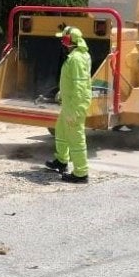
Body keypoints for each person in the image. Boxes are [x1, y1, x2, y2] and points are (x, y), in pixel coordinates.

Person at [43, 24, 91, 183]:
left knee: (76, 139)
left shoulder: (76, 59)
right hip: (69, 102)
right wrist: (61, 93)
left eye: (64, 40)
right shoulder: (76, 56)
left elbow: (80, 86)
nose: (62, 43)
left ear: (72, 41)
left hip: (75, 105)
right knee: (61, 131)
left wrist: (76, 111)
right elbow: (72, 82)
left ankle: (81, 173)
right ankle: (62, 161)